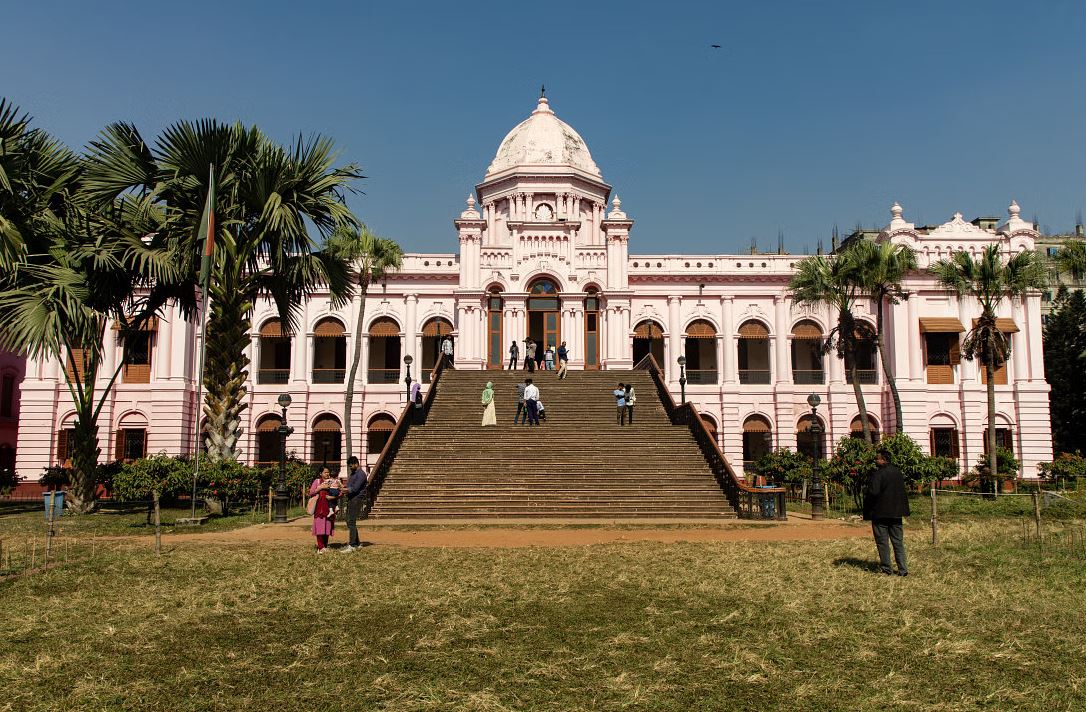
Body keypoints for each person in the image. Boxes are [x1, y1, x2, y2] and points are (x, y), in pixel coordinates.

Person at [863, 445, 910, 576]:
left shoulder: (878, 474)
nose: (875, 461)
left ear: (883, 460)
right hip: (896, 513)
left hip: (880, 514)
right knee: (898, 542)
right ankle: (903, 569)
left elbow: (873, 492)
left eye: (877, 459)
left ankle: (886, 568)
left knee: (882, 542)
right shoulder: (897, 472)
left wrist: (866, 494)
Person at [342, 455, 368, 552]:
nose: (350, 468)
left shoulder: (361, 474)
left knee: (351, 521)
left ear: (356, 464)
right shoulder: (353, 474)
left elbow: (355, 488)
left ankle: (352, 545)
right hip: (351, 499)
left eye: (351, 466)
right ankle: (356, 543)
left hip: (356, 499)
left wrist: (345, 490)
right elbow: (350, 486)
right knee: (349, 520)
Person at [309, 472, 337, 554]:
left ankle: (325, 545)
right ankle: (320, 547)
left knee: (327, 527)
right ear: (321, 473)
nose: (327, 474)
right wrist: (320, 487)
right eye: (325, 472)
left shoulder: (332, 481)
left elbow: (338, 492)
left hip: (329, 509)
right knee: (320, 527)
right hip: (319, 509)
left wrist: (333, 496)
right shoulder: (317, 482)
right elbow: (311, 492)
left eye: (328, 472)